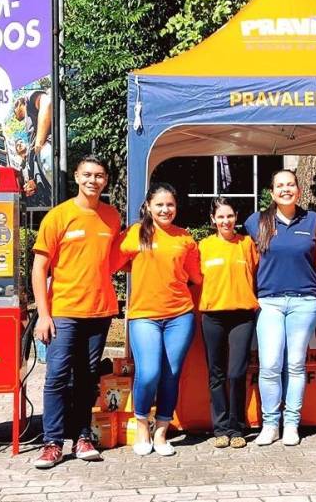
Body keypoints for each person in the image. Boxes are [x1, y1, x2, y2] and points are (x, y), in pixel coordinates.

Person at [32, 155, 122, 468]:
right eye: (87, 175)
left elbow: (113, 260)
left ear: (106, 180)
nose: (92, 180)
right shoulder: (58, 216)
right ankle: (52, 442)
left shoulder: (112, 217)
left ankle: (83, 436)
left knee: (87, 379)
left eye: (99, 175)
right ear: (77, 177)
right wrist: (44, 315)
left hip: (99, 311)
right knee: (56, 377)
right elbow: (39, 267)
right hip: (63, 311)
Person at [119, 182, 202, 457]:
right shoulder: (135, 234)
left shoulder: (185, 239)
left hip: (180, 315)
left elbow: (197, 277)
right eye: (160, 205)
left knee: (171, 374)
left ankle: (161, 431)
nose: (165, 209)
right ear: (148, 207)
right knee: (150, 372)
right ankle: (142, 423)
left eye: (170, 205)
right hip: (144, 316)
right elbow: (107, 263)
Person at [244, 170, 316, 447]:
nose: (285, 189)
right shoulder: (257, 221)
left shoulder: (314, 221)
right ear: (272, 191)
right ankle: (270, 424)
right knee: (269, 365)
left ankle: (291, 424)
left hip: (305, 301)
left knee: (296, 364)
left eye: (290, 185)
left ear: (299, 190)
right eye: (280, 185)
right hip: (270, 302)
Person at [198, 197, 259, 449]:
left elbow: (256, 271)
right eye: (220, 217)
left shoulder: (246, 244)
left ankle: (237, 427)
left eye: (230, 216)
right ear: (213, 219)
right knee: (217, 373)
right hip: (212, 316)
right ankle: (221, 427)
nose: (226, 221)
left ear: (236, 217)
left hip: (242, 314)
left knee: (236, 373)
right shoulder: (203, 246)